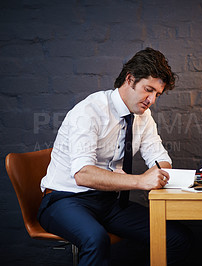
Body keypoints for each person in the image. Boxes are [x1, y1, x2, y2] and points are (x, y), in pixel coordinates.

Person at [37, 47, 193, 265]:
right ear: (130, 79)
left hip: (108, 202)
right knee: (95, 239)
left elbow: (160, 159)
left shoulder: (143, 117)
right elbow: (83, 175)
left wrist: (160, 171)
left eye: (157, 94)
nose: (151, 100)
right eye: (148, 90)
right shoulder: (89, 111)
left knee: (177, 237)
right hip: (65, 200)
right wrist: (141, 181)